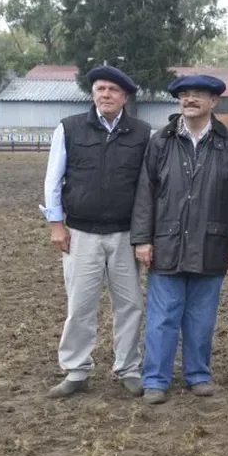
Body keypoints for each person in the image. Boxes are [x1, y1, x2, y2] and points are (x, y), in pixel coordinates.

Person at [130, 75, 228, 404]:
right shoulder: (161, 141)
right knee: (162, 316)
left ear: (214, 101)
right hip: (166, 242)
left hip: (213, 241)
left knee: (202, 317)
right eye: (184, 94)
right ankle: (156, 379)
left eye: (198, 95)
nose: (190, 99)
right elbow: (145, 192)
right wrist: (143, 239)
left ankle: (198, 374)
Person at [40, 65, 152, 399]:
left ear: (125, 97)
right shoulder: (69, 128)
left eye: (113, 90)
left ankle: (128, 368)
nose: (106, 95)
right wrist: (56, 224)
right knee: (80, 305)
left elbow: (149, 187)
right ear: (92, 94)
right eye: (101, 89)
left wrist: (144, 234)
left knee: (130, 305)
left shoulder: (143, 133)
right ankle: (76, 369)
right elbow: (53, 179)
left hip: (124, 234)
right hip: (81, 233)